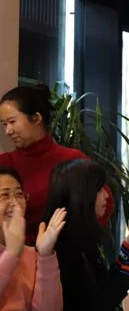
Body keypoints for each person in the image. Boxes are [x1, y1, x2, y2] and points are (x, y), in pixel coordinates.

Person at [0, 85, 114, 245]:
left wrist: (66, 241)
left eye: (12, 122)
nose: (8, 131)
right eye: (4, 124)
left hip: (60, 253)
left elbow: (105, 204)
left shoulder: (72, 160)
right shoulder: (4, 163)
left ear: (36, 118)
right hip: (12, 255)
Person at [42, 159, 129, 311]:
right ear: (82, 195)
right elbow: (99, 305)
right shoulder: (63, 246)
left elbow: (103, 286)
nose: (106, 195)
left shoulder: (80, 236)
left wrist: (128, 251)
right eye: (99, 189)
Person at [0, 166, 65, 311]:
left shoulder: (30, 255)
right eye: (4, 195)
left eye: (19, 194)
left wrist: (45, 255)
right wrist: (11, 254)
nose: (16, 204)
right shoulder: (15, 252)